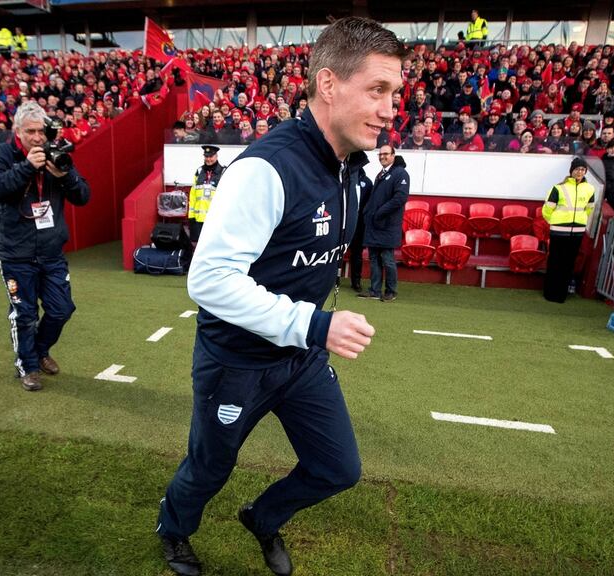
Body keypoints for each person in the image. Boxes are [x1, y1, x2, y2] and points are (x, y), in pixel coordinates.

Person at [156, 17, 403, 576]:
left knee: (338, 467)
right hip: (236, 361)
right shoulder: (266, 167)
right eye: (378, 90)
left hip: (299, 360)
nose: (391, 109)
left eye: (395, 94)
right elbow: (210, 279)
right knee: (210, 466)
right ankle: (173, 529)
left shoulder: (350, 171)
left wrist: (309, 333)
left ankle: (262, 518)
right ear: (328, 85)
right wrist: (316, 325)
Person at [0, 101, 91, 392]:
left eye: (41, 131)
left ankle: (40, 351)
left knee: (62, 309)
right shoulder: (2, 155)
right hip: (16, 254)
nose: (37, 137)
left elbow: (83, 195)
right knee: (25, 314)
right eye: (30, 132)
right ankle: (28, 367)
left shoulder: (56, 154)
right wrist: (27, 167)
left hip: (51, 251)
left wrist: (64, 175)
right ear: (18, 131)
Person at [359, 145, 409, 302]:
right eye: (380, 154)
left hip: (388, 225)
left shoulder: (400, 173)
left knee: (387, 259)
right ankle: (374, 290)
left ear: (393, 155)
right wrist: (368, 212)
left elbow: (400, 198)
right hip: (375, 224)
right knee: (374, 258)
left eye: (386, 154)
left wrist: (379, 212)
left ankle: (391, 291)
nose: (382, 157)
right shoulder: (381, 174)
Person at [542, 157, 595, 303]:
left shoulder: (590, 189)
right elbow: (547, 209)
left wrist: (580, 220)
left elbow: (590, 209)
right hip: (559, 230)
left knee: (569, 262)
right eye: (577, 169)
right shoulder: (559, 188)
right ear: (571, 170)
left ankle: (561, 294)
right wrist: (553, 222)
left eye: (582, 170)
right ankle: (550, 293)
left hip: (577, 231)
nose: (579, 172)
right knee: (555, 261)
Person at [187, 145, 225, 244]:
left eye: (211, 156)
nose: (208, 159)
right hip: (198, 220)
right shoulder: (199, 171)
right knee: (196, 247)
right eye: (206, 156)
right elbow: (193, 195)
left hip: (215, 220)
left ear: (216, 156)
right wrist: (191, 217)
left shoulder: (223, 172)